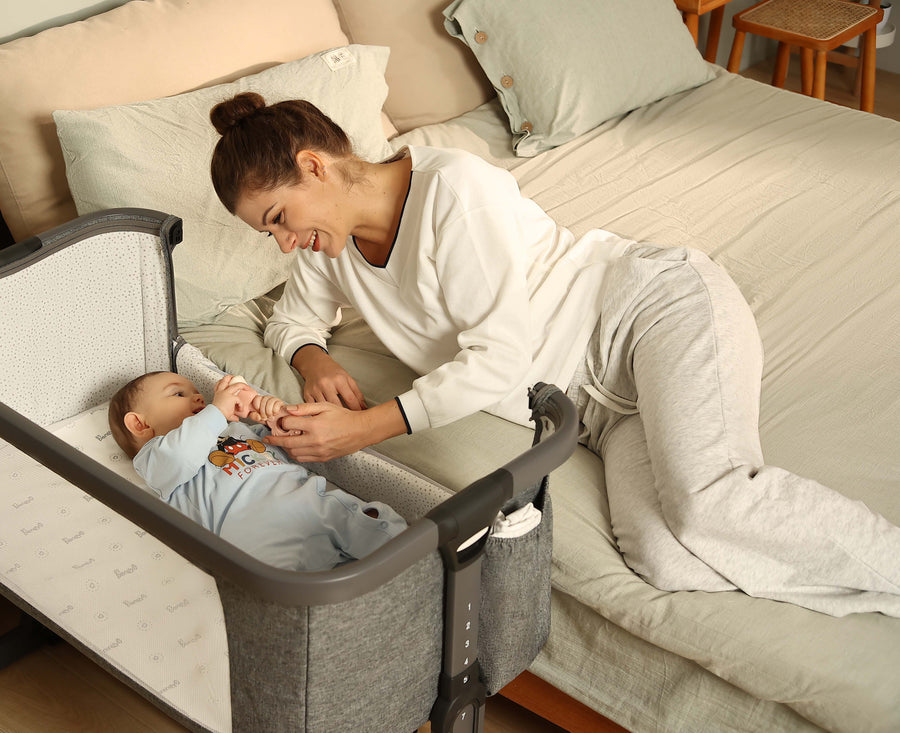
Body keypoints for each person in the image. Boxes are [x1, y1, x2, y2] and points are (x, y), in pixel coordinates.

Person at [206, 91, 900, 616]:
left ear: (312, 166)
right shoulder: (333, 247)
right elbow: (292, 318)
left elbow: (500, 360)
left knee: (706, 501)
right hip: (594, 409)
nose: (284, 242)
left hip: (645, 311)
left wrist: (367, 426)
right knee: (660, 556)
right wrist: (312, 358)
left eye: (278, 219)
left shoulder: (453, 189)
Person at [108, 370, 406, 572]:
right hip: (259, 531)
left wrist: (275, 421)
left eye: (196, 392)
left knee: (372, 522)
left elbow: (290, 452)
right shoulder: (155, 458)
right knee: (287, 586)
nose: (198, 397)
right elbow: (182, 455)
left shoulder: (235, 428)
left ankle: (418, 564)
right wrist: (217, 411)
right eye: (178, 394)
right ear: (140, 425)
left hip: (314, 501)